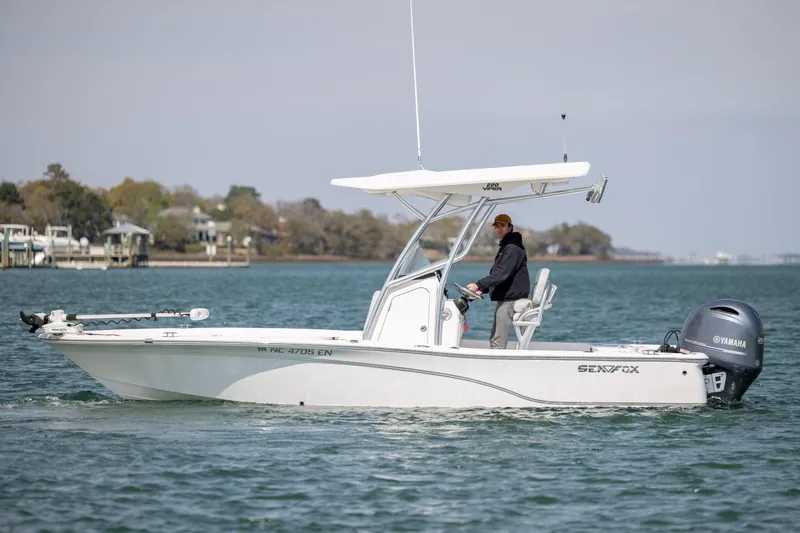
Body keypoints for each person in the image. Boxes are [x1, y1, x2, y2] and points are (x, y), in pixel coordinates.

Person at [467, 213, 530, 349]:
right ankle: (494, 357)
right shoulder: (506, 247)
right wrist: (482, 289)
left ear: (510, 227)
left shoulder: (512, 248)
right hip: (506, 297)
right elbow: (499, 275)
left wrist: (478, 284)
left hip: (511, 300)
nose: (499, 229)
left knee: (497, 341)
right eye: (496, 226)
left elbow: (502, 274)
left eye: (502, 225)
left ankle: (496, 359)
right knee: (494, 338)